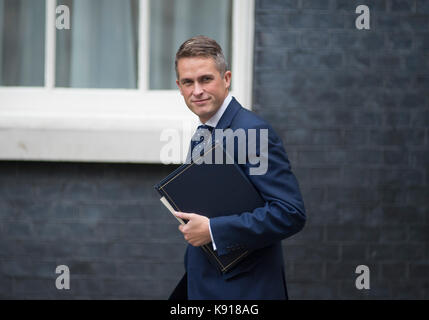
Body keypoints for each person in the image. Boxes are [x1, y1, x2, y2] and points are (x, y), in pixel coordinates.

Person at [171, 35, 306, 300]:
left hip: (244, 291)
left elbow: (290, 213)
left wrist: (212, 230)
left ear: (227, 79)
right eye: (188, 82)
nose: (196, 90)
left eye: (205, 79)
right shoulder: (202, 132)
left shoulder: (253, 132)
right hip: (204, 286)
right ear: (179, 86)